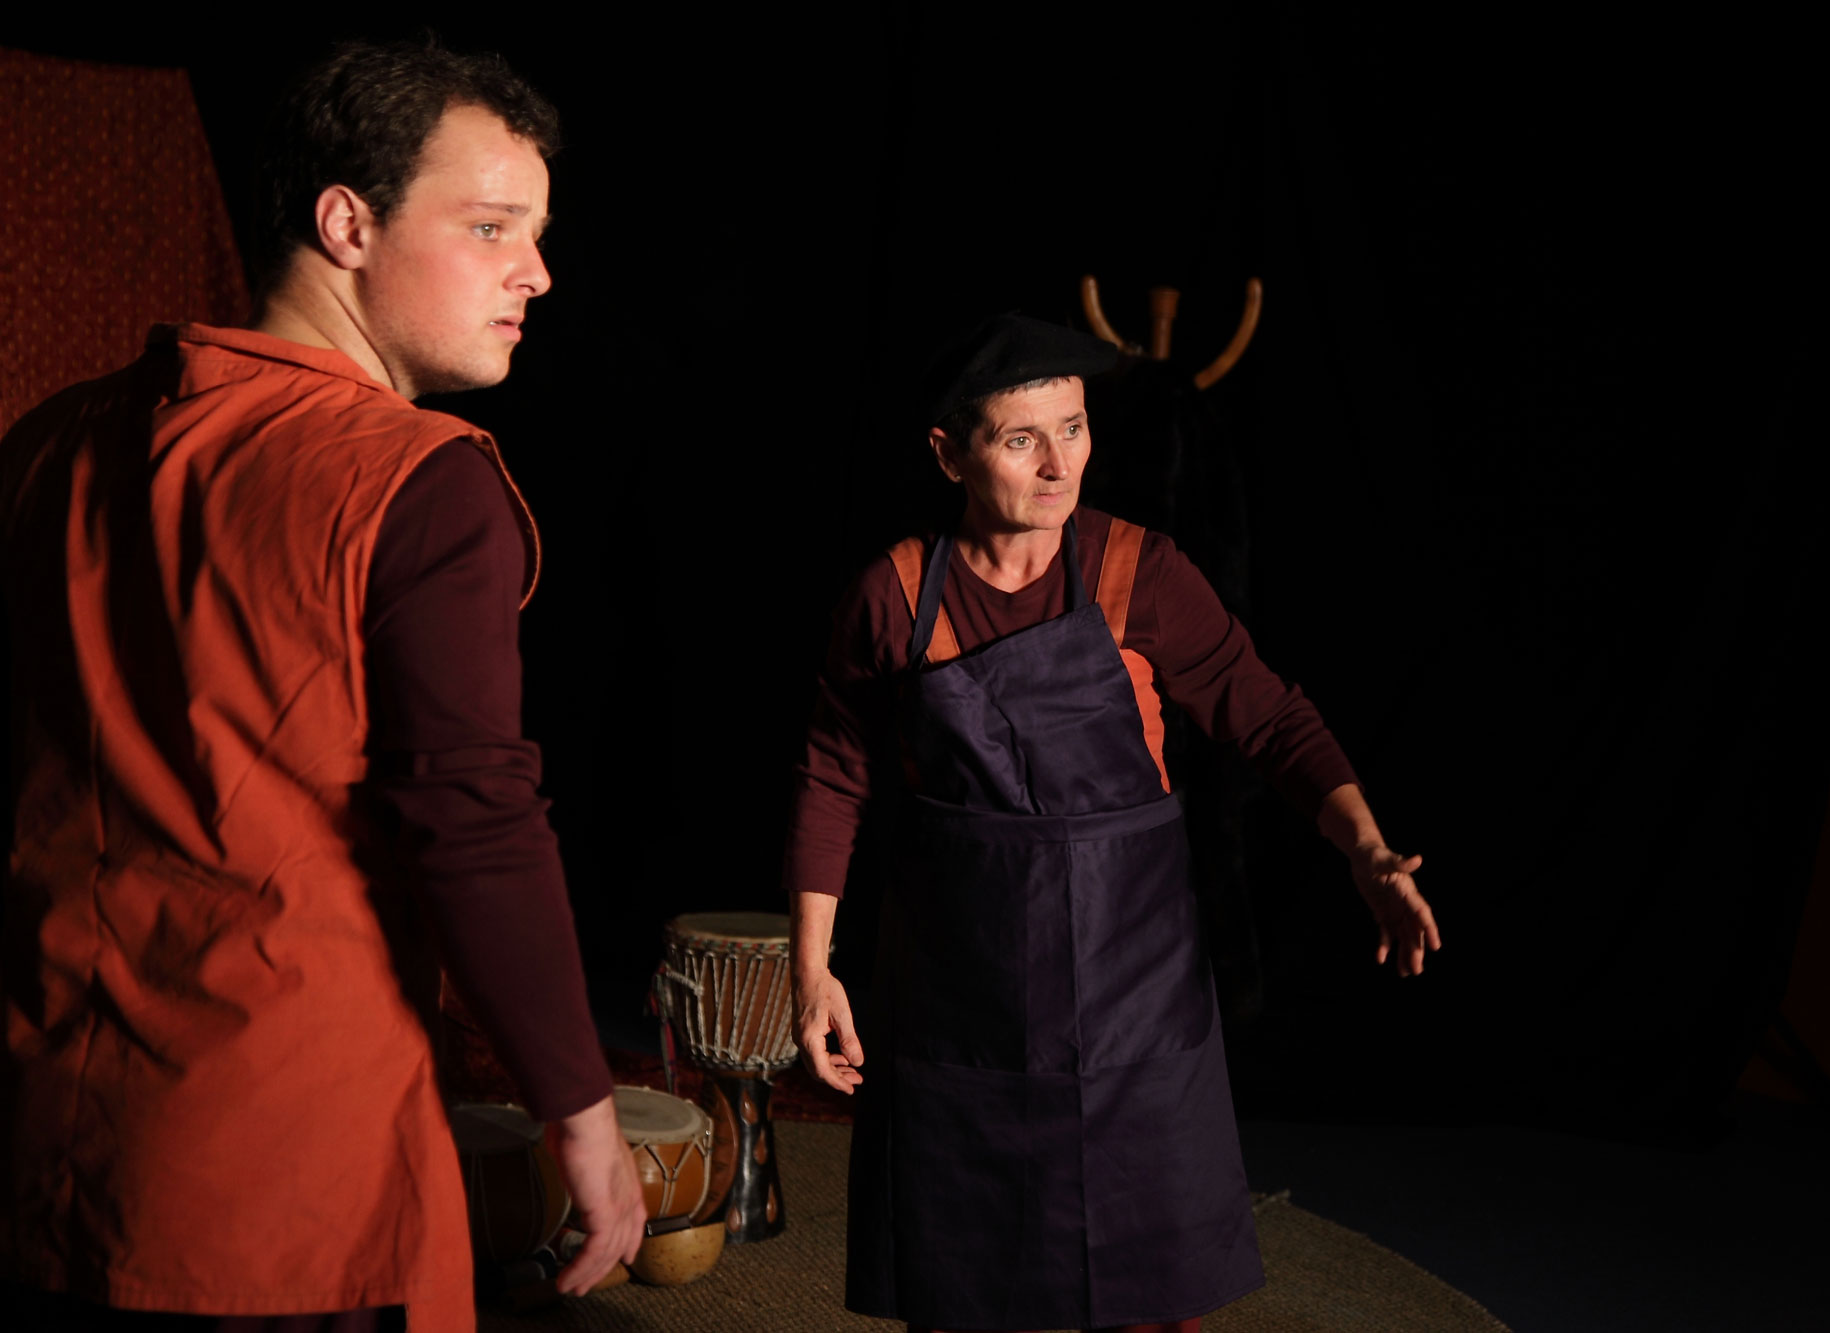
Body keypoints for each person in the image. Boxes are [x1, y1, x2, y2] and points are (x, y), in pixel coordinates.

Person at [0, 41, 643, 1333]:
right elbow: (474, 818)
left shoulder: (49, 437)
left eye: (536, 233)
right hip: (281, 1175)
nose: (536, 272)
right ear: (348, 223)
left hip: (41, 1133)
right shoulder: (423, 478)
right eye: (491, 226)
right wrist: (580, 1109)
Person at [786, 313, 1443, 1333]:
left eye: (1074, 427)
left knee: (1145, 1284)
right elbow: (835, 776)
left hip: (1132, 990)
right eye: (1022, 440)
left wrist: (1364, 847)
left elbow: (1267, 715)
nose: (1060, 466)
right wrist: (812, 966)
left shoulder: (1141, 571)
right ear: (948, 454)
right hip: (960, 999)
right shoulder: (894, 595)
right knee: (963, 1280)